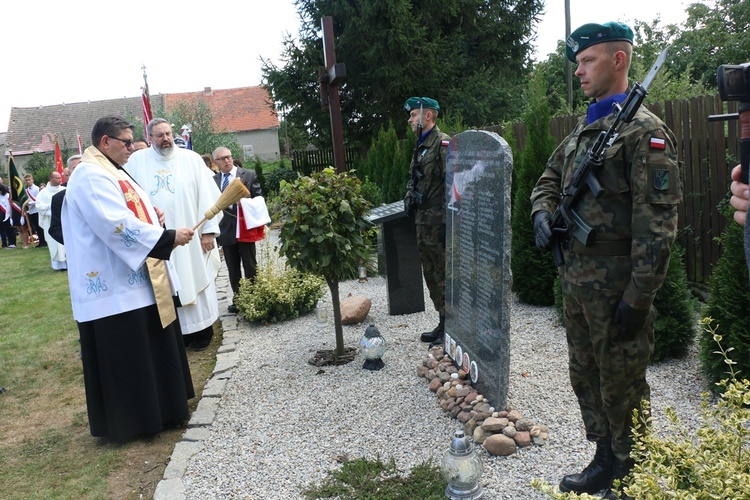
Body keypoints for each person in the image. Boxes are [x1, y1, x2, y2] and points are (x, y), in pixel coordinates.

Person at [530, 22, 682, 499]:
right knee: (586, 374)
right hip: (576, 282)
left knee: (623, 381)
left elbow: (657, 228)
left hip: (618, 285)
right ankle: (603, 458)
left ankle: (632, 473)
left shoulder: (646, 134)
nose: (578, 71)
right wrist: (542, 212)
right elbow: (548, 178)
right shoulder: (586, 129)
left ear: (619, 60)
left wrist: (639, 297)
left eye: (587, 60)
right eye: (577, 62)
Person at [62, 115, 196, 442]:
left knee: (150, 348)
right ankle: (137, 421)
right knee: (130, 357)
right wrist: (164, 237)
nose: (132, 148)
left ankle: (163, 410)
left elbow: (132, 210)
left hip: (136, 281)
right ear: (105, 142)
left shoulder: (113, 171)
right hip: (114, 288)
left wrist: (153, 214)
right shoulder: (90, 176)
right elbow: (114, 224)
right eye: (126, 142)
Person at [126, 118, 222, 350]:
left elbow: (208, 196)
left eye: (168, 133)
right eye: (159, 135)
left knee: (194, 275)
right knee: (165, 284)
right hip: (158, 238)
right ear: (150, 138)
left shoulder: (191, 159)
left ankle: (202, 331)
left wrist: (208, 231)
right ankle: (179, 334)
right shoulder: (137, 161)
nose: (166, 138)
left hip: (191, 235)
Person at [402, 96, 451, 345]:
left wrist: (448, 224)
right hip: (423, 221)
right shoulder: (421, 145)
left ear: (427, 115)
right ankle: (442, 321)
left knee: (443, 274)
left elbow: (454, 186)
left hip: (439, 222)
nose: (410, 120)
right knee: (430, 274)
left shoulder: (443, 145)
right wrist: (409, 195)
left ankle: (450, 328)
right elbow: (415, 176)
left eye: (413, 115)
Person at [213, 146, 262, 313]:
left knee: (250, 264)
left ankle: (255, 298)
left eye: (229, 157)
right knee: (232, 267)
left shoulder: (247, 174)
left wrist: (246, 204)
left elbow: (259, 198)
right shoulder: (213, 181)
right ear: (216, 162)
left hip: (244, 227)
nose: (227, 160)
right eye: (222, 158)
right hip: (226, 229)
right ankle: (239, 299)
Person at [48, 158, 83, 245]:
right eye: (76, 168)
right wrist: (78, 241)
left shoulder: (102, 193)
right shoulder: (59, 198)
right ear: (69, 174)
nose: (80, 170)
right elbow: (55, 229)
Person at [35, 171, 67, 269]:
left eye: (60, 177)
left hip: (65, 221)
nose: (60, 179)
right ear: (51, 179)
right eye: (57, 178)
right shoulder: (43, 193)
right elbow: (39, 206)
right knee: (54, 243)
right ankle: (58, 266)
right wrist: (53, 209)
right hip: (51, 221)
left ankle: (68, 263)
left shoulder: (65, 189)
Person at [24, 174, 46, 247]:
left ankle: (44, 241)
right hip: (31, 211)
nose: (28, 181)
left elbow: (38, 200)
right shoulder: (26, 190)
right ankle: (40, 241)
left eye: (29, 179)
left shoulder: (37, 189)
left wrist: (30, 203)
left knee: (40, 226)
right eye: (26, 180)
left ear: (32, 180)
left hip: (37, 210)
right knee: (35, 227)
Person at [0, 183, 16, 248]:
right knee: (4, 230)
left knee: (10, 229)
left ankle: (12, 242)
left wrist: (9, 215)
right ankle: (6, 243)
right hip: (1, 215)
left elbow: (8, 205)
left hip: (8, 214)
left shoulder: (7, 195)